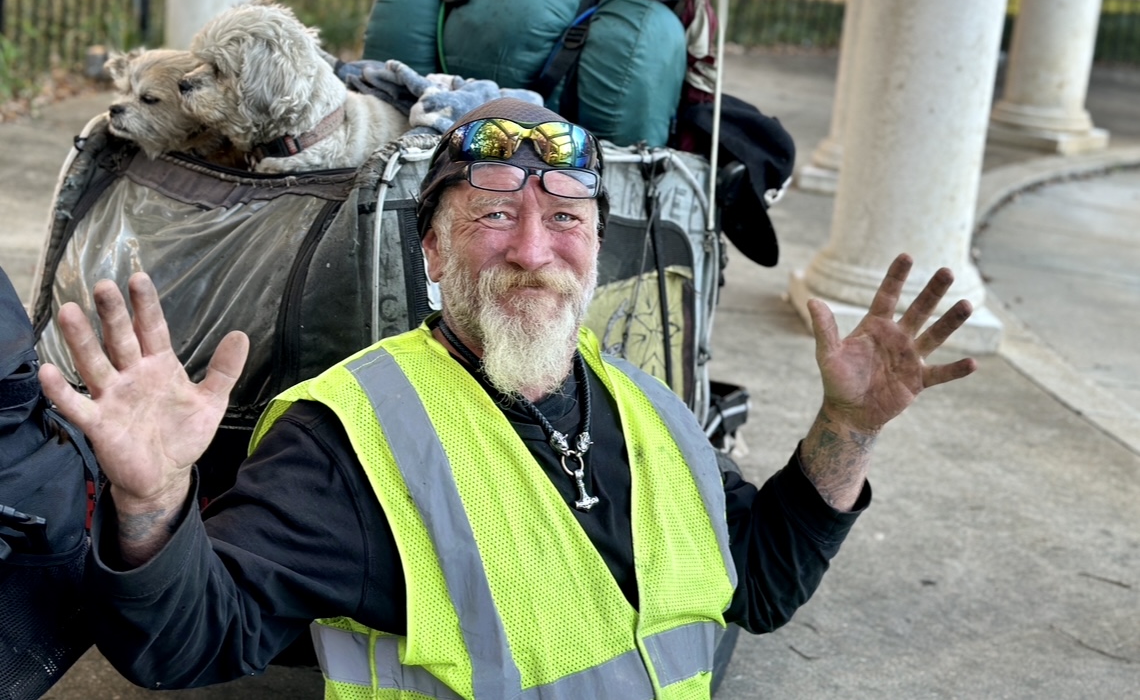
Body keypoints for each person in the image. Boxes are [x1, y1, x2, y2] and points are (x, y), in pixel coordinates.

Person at [40, 98, 977, 697]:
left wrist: (845, 431)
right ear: (434, 255)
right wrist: (155, 503)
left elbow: (760, 585)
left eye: (565, 217)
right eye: (492, 214)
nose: (533, 247)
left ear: (595, 252)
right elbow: (185, 640)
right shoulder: (355, 437)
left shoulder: (655, 414)